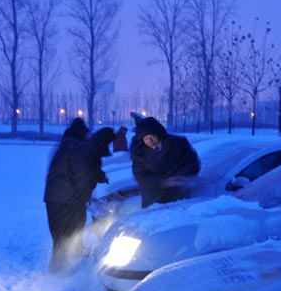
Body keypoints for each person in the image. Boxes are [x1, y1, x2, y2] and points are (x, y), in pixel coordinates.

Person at [43, 118, 114, 274]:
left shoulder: (68, 144)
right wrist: (85, 198)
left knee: (61, 234)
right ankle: (60, 270)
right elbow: (82, 175)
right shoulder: (78, 148)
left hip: (54, 197)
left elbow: (83, 168)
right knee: (69, 233)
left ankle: (59, 267)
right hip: (67, 199)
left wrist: (99, 176)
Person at [131, 116, 201, 208]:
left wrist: (182, 176)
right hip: (153, 195)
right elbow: (140, 175)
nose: (150, 141)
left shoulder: (178, 143)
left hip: (179, 191)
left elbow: (192, 163)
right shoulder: (139, 152)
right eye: (146, 139)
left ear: (158, 134)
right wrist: (162, 182)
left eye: (152, 137)